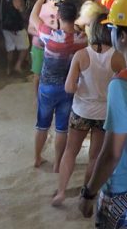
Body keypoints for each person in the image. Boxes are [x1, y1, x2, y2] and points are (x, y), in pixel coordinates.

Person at [52, 13, 125, 206]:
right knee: (95, 156)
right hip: (104, 114)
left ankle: (60, 192)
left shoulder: (81, 55)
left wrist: (81, 89)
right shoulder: (118, 58)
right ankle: (86, 192)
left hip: (81, 110)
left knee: (70, 151)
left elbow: (69, 87)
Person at [79, 0, 127, 227]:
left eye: (114, 28)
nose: (111, 33)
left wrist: (89, 193)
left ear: (123, 36)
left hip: (121, 187)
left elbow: (111, 153)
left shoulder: (121, 85)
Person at [30, 0, 87, 171]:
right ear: (75, 17)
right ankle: (57, 164)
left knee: (42, 125)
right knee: (62, 128)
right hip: (68, 88)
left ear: (59, 17)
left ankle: (37, 158)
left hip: (47, 86)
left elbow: (33, 17)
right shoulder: (82, 39)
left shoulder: (51, 36)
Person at [0, 0, 29, 75]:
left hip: (6, 28)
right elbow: (24, 16)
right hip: (17, 29)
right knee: (25, 47)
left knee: (10, 49)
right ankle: (18, 66)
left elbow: (0, 12)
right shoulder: (18, 0)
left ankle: (8, 68)